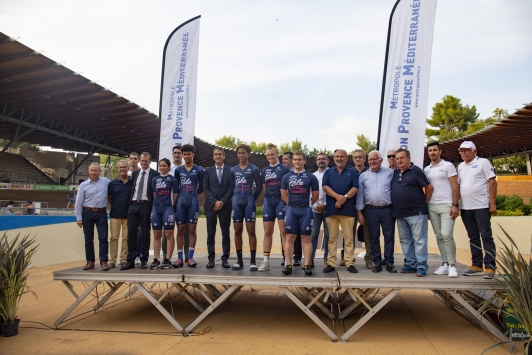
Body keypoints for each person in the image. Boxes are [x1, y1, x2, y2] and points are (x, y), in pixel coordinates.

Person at [457, 141, 497, 279]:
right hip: (466, 207)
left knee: (486, 235)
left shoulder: (483, 162)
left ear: (475, 151)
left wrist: (492, 203)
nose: (463, 153)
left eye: (466, 150)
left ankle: (490, 267)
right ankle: (477, 265)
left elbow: (492, 182)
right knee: (473, 237)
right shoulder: (460, 166)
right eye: (461, 151)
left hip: (481, 206)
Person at [392, 148, 433, 277]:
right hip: (400, 214)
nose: (399, 161)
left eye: (402, 158)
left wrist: (425, 202)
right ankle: (410, 263)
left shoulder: (416, 170)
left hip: (416, 212)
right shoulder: (395, 172)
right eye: (397, 158)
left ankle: (421, 265)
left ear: (408, 158)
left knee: (419, 240)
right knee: (405, 240)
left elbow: (429, 187)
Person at [356, 150, 397, 273]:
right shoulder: (364, 175)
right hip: (370, 210)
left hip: (387, 209)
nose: (372, 161)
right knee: (374, 237)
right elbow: (360, 194)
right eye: (370, 160)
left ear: (381, 160)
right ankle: (377, 262)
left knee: (389, 236)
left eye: (375, 159)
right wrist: (359, 211)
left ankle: (389, 262)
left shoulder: (390, 173)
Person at [424, 141, 460, 278]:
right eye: (430, 151)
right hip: (432, 206)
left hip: (447, 205)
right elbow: (427, 189)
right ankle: (444, 263)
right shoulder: (427, 169)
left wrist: (455, 205)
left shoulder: (448, 166)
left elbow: (455, 186)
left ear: (440, 151)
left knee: (446, 234)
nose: (432, 153)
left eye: (434, 150)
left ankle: (452, 265)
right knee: (439, 236)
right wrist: (426, 205)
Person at [280, 151, 319, 275]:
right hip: (291, 210)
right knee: (290, 237)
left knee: (306, 238)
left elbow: (316, 195)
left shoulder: (311, 177)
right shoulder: (286, 177)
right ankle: (288, 264)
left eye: (299, 159)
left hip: (306, 210)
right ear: (293, 161)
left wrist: (306, 204)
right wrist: (292, 204)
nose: (297, 162)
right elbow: (283, 194)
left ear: (304, 161)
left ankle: (307, 264)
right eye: (295, 159)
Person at [322, 149, 359, 273]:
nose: (339, 159)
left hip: (348, 210)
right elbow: (325, 187)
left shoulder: (352, 171)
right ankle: (331, 263)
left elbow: (355, 188)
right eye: (337, 156)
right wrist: (338, 197)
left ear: (346, 158)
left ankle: (349, 262)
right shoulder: (328, 172)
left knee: (348, 238)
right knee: (332, 238)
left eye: (342, 156)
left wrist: (345, 198)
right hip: (331, 210)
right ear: (333, 158)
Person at [121, 152, 160, 270]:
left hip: (146, 205)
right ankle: (130, 260)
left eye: (146, 161)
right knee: (131, 232)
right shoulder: (135, 174)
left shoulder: (155, 174)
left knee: (145, 233)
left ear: (150, 161)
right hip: (133, 205)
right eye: (142, 161)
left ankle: (144, 260)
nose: (143, 163)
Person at [229, 144, 262, 271]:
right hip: (237, 202)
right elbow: (232, 187)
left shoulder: (253, 169)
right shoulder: (233, 170)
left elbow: (259, 187)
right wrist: (235, 198)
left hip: (249, 201)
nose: (241, 155)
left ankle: (253, 261)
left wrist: (252, 198)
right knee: (237, 231)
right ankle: (239, 261)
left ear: (248, 154)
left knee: (251, 231)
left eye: (243, 153)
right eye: (239, 153)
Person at [259, 143, 291, 271]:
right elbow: (264, 188)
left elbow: (290, 186)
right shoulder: (265, 171)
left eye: (272, 154)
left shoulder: (284, 169)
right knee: (267, 232)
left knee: (284, 232)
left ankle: (287, 260)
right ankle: (266, 261)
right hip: (268, 202)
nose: (270, 157)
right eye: (268, 155)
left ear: (277, 154)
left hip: (281, 202)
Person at [74, 162, 110, 271]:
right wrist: (78, 218)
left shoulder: (106, 182)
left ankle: (103, 261)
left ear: (100, 171)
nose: (93, 172)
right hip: (87, 212)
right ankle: (90, 261)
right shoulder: (83, 185)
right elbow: (78, 202)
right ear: (88, 172)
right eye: (91, 170)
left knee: (103, 238)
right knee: (88, 239)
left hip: (101, 213)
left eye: (96, 170)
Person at [173, 144, 204, 268]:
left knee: (191, 230)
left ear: (193, 154)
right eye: (184, 154)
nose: (186, 156)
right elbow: (176, 187)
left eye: (188, 154)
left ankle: (190, 257)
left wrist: (193, 193)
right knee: (180, 230)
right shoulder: (178, 170)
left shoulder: (199, 170)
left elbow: (201, 187)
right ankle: (180, 258)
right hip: (181, 202)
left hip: (193, 201)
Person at [203, 147, 233, 268]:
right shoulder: (208, 171)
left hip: (225, 207)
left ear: (224, 156)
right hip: (210, 207)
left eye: (220, 154)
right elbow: (205, 188)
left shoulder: (230, 170)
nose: (217, 156)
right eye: (215, 154)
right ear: (213, 157)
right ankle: (211, 259)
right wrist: (215, 202)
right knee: (211, 234)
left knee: (225, 233)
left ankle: (225, 258)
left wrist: (222, 202)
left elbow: (232, 188)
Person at [150, 158, 179, 269]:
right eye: (160, 166)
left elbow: (175, 194)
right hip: (156, 208)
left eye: (164, 166)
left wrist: (170, 205)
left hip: (168, 208)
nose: (162, 168)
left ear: (168, 167)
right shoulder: (155, 179)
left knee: (168, 234)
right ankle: (156, 259)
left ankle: (167, 259)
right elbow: (154, 194)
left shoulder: (172, 180)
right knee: (157, 235)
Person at [107, 160, 133, 268]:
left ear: (128, 169)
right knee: (114, 238)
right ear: (118, 169)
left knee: (126, 238)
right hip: (115, 214)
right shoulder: (112, 183)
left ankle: (123, 259)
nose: (122, 169)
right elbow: (109, 199)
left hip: (128, 215)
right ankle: (112, 260)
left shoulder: (132, 182)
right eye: (120, 167)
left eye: (124, 167)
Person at [349, 149, 372, 269]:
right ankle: (348, 258)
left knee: (368, 235)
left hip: (367, 207)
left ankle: (369, 259)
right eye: (355, 157)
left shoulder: (370, 171)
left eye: (360, 157)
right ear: (353, 159)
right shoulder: (349, 171)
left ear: (364, 158)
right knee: (349, 235)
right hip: (350, 207)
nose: (358, 159)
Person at [282, 151, 302, 265]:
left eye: (286, 159)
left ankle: (297, 256)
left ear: (292, 160)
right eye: (283, 159)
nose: (284, 161)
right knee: (285, 232)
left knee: (297, 232)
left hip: (298, 207)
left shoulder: (299, 173)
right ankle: (285, 256)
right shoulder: (283, 174)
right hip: (284, 205)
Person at [310, 153, 330, 268]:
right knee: (313, 235)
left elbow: (334, 191)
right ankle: (310, 258)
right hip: (315, 210)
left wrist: (325, 205)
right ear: (316, 162)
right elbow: (310, 192)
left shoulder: (332, 174)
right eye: (319, 159)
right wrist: (315, 205)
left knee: (328, 235)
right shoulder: (312, 175)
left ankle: (327, 259)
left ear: (327, 161)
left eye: (323, 159)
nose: (321, 161)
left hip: (329, 210)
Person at [127, 152, 143, 265]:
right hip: (130, 206)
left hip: (141, 206)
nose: (133, 160)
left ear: (138, 160)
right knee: (131, 232)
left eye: (135, 159)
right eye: (131, 158)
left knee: (140, 232)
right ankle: (129, 256)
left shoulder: (141, 173)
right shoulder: (125, 173)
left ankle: (138, 254)